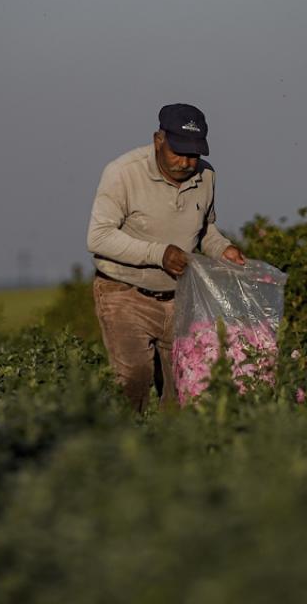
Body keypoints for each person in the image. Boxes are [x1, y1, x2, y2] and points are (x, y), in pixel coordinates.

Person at [86, 103, 245, 411]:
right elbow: (98, 237)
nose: (187, 162)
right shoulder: (122, 173)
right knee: (134, 378)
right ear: (158, 139)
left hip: (181, 297)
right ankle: (127, 445)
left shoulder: (206, 176)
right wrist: (159, 254)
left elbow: (206, 230)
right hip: (124, 293)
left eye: (194, 154)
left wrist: (222, 247)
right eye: (179, 151)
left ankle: (172, 452)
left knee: (185, 389)